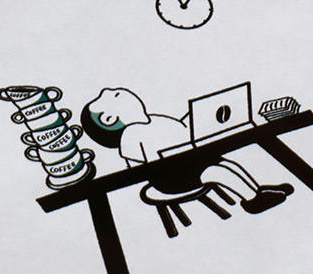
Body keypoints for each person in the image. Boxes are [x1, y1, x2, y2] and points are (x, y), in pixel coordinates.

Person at [81, 87, 293, 215]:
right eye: (116, 96)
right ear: (109, 119)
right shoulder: (131, 135)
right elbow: (139, 167)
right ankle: (253, 201)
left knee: (225, 164)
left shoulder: (154, 120)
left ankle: (257, 190)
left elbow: (180, 133)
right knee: (216, 171)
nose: (123, 93)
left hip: (190, 163)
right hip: (171, 179)